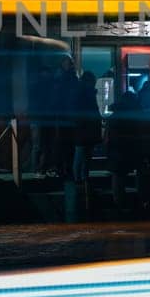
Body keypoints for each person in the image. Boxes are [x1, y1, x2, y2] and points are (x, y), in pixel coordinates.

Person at [63, 67, 100, 222]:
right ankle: (82, 177)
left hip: (82, 128)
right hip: (87, 128)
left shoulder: (79, 92)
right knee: (83, 154)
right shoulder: (87, 93)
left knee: (80, 153)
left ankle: (80, 177)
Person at [105, 90, 144, 215]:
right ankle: (140, 200)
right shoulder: (135, 115)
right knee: (139, 173)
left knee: (118, 177)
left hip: (117, 150)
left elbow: (108, 137)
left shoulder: (114, 117)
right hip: (131, 148)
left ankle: (119, 203)